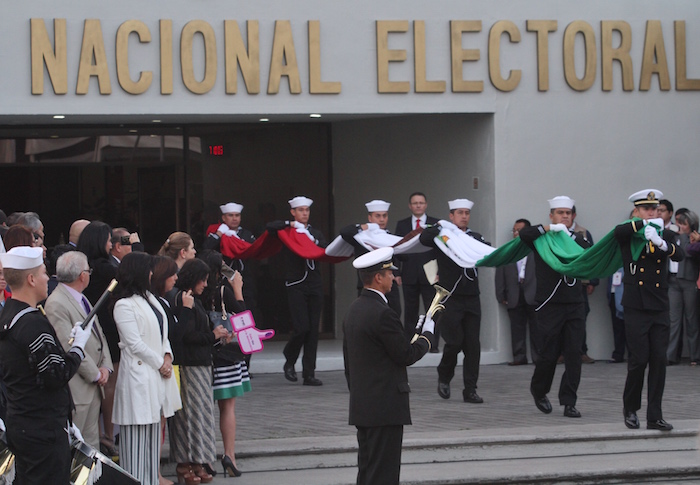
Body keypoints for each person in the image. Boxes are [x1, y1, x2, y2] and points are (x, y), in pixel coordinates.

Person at [343, 246, 436, 485]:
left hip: (364, 407)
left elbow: (351, 363)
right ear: (378, 277)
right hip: (384, 409)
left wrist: (414, 332)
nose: (394, 279)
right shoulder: (383, 313)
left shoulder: (354, 310)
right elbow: (405, 354)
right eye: (389, 274)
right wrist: (427, 336)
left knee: (368, 472)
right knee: (384, 475)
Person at [0, 246, 91, 484]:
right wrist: (78, 349)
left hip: (23, 423)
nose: (46, 278)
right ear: (30, 279)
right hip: (42, 429)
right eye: (42, 273)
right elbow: (56, 374)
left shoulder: (9, 315)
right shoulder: (31, 323)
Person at [616, 189, 683, 431]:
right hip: (636, 305)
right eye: (646, 209)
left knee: (658, 361)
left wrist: (661, 242)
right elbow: (618, 233)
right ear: (636, 211)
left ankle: (654, 415)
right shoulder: (631, 233)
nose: (652, 212)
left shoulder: (664, 233)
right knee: (638, 360)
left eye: (655, 209)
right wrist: (642, 225)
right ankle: (630, 408)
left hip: (659, 304)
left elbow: (680, 253)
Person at [112, 252, 181, 485]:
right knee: (135, 450)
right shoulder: (124, 305)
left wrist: (168, 356)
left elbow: (163, 335)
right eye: (148, 270)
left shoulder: (151, 300)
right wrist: (159, 362)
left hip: (156, 376)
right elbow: (134, 343)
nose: (152, 274)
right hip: (139, 377)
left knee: (152, 445)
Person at [519, 195, 591, 418]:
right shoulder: (542, 237)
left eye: (567, 213)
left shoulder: (578, 239)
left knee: (573, 354)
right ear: (552, 215)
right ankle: (539, 390)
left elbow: (589, 251)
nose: (564, 216)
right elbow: (524, 234)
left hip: (574, 303)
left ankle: (569, 401)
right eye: (560, 213)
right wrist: (549, 228)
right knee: (548, 354)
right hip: (550, 304)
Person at [419, 198, 487, 403]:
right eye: (460, 213)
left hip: (472, 297)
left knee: (473, 345)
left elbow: (487, 249)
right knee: (454, 341)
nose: (464, 216)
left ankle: (470, 389)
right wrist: (440, 226)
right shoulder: (442, 236)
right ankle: (444, 375)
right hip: (450, 297)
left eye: (467, 213)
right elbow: (424, 238)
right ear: (451, 216)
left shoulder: (474, 237)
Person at [44, 251, 113, 449]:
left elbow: (99, 334)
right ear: (82, 275)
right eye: (88, 271)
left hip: (93, 385)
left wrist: (106, 366)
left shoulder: (81, 298)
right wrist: (94, 373)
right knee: (75, 446)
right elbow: (69, 344)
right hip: (78, 386)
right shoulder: (57, 302)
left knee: (90, 449)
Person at [170, 258, 229, 484]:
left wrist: (217, 337)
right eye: (202, 279)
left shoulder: (195, 301)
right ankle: (184, 463)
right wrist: (212, 336)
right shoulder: (182, 299)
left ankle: (197, 460)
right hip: (190, 366)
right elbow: (185, 336)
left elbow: (200, 334)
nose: (205, 284)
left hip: (202, 364)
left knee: (201, 416)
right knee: (189, 417)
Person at [200, 250, 251, 477]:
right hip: (227, 355)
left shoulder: (194, 291)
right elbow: (243, 318)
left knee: (203, 409)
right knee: (227, 407)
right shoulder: (223, 291)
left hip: (204, 354)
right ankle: (229, 454)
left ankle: (204, 456)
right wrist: (237, 290)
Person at [78, 220, 121, 457]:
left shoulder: (81, 265)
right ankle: (108, 435)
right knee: (110, 385)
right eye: (108, 240)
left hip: (85, 328)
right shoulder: (107, 269)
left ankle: (95, 432)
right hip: (108, 329)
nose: (111, 244)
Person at [277, 196, 327, 386]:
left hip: (314, 283)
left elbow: (324, 249)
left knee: (313, 330)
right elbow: (271, 227)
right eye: (300, 210)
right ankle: (289, 358)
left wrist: (311, 239)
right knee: (302, 327)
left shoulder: (315, 232)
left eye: (307, 210)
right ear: (293, 212)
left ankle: (309, 373)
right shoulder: (287, 231)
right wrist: (291, 225)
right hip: (296, 283)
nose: (304, 213)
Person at [151, 255, 190, 485]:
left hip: (169, 362)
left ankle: (156, 472)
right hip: (164, 365)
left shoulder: (164, 301)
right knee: (160, 421)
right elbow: (174, 335)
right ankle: (154, 472)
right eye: (171, 274)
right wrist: (185, 310)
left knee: (164, 420)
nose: (176, 278)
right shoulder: (158, 302)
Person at [339, 199, 401, 316]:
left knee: (394, 313)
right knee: (367, 316)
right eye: (378, 216)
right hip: (367, 284)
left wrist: (397, 274)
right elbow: (345, 232)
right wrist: (365, 227)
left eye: (384, 216)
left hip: (388, 284)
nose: (382, 219)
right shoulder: (360, 237)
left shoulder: (389, 237)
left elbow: (399, 255)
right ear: (370, 217)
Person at [394, 192, 439, 341]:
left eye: (421, 202)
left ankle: (432, 342)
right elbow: (397, 249)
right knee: (410, 310)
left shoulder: (435, 224)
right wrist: (397, 272)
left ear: (426, 205)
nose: (418, 205)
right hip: (409, 272)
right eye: (415, 203)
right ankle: (409, 341)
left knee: (431, 310)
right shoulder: (402, 224)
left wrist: (440, 272)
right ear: (410, 206)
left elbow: (440, 250)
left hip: (431, 273)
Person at [495, 219, 539, 365]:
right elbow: (500, 271)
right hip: (514, 293)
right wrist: (500, 294)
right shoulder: (508, 250)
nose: (516, 233)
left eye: (519, 230)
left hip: (533, 294)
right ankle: (519, 357)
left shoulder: (537, 250)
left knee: (537, 328)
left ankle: (538, 357)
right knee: (516, 327)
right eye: (514, 230)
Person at [666, 210, 700, 365]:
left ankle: (695, 355)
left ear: (691, 225)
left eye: (683, 223)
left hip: (688, 281)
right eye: (678, 222)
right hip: (673, 281)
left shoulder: (693, 239)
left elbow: (688, 252)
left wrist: (685, 236)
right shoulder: (672, 237)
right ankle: (670, 355)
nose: (679, 225)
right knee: (674, 320)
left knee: (691, 319)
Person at [570, 206, 599, 364]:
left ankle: (581, 351)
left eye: (568, 213)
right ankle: (562, 351)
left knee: (580, 317)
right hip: (561, 283)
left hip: (580, 282)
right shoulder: (552, 234)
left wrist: (592, 281)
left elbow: (592, 257)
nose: (565, 216)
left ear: (574, 215)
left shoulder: (583, 233)